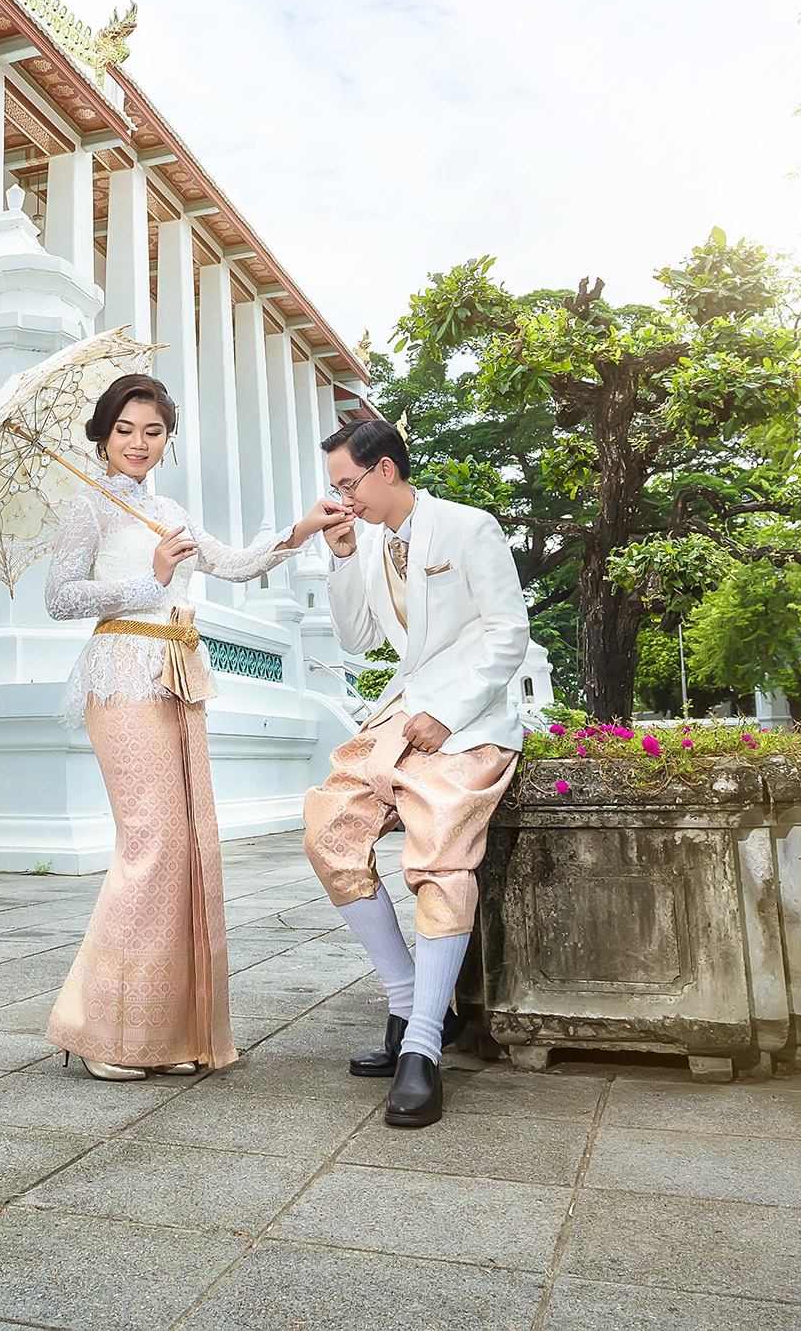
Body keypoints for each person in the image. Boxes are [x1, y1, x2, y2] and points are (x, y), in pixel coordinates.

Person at [42, 373, 347, 1080]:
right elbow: (58, 598)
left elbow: (234, 566)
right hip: (121, 672)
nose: (138, 443)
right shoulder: (86, 506)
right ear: (101, 435)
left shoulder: (169, 509)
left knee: (185, 847)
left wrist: (300, 531)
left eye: (152, 431)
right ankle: (103, 1034)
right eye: (124, 430)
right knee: (149, 842)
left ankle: (162, 1034)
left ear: (167, 439)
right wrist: (150, 580)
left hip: (176, 673)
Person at [304, 416, 534, 1128]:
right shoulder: (369, 545)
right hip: (400, 718)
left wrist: (450, 710)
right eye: (335, 487)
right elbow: (357, 638)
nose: (343, 498)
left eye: (348, 484)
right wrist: (341, 557)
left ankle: (424, 1050)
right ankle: (407, 1006)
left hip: (468, 721)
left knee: (437, 859)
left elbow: (507, 631)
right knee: (328, 833)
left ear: (386, 471)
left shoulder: (468, 527)